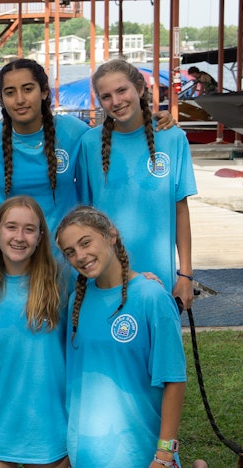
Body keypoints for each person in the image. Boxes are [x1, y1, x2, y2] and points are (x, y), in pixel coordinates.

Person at [55, 205, 208, 468]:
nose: (80, 256)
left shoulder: (152, 297)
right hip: (95, 449)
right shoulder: (75, 301)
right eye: (70, 251)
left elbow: (174, 380)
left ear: (111, 236)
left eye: (85, 242)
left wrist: (163, 456)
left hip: (146, 447)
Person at [0, 195, 84, 468]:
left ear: (40, 237)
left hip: (47, 421)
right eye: (11, 227)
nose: (19, 237)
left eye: (29, 229)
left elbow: (107, 274)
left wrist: (139, 277)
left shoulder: (62, 281)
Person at [0, 58, 177, 236]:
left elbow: (117, 134)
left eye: (28, 89)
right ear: (2, 99)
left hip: (66, 256)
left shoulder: (72, 131)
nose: (19, 99)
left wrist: (149, 120)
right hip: (15, 255)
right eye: (10, 93)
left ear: (44, 92)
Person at [77, 59, 197, 310]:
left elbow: (181, 209)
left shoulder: (173, 138)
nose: (116, 101)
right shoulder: (89, 144)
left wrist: (185, 275)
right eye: (106, 96)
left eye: (122, 90)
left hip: (160, 274)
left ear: (140, 88)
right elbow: (85, 218)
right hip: (106, 274)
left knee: (159, 345)